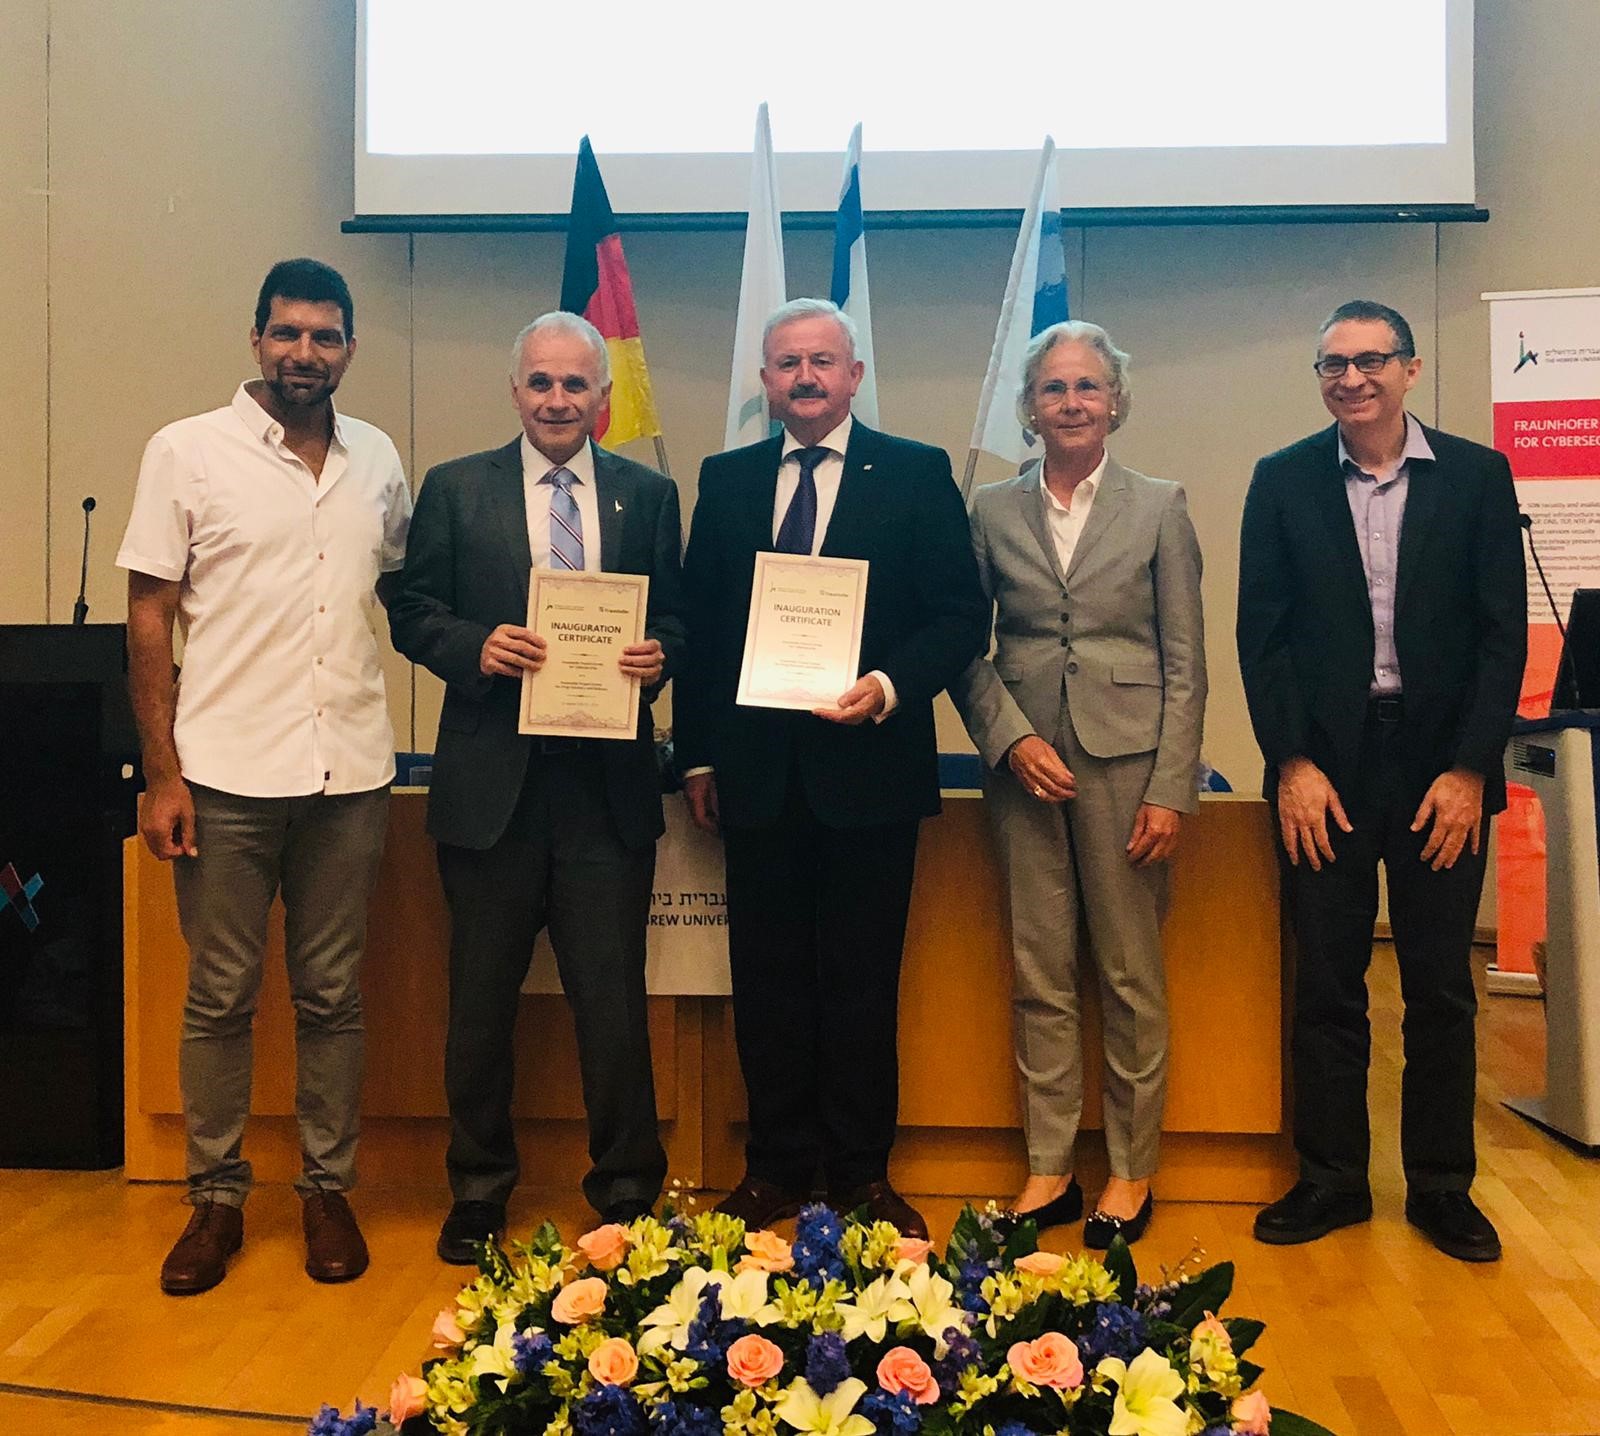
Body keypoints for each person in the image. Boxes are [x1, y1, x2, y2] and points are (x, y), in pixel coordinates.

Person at [119, 258, 412, 1295]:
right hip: (227, 773)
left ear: (348, 348)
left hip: (351, 771)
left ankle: (327, 1188)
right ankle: (216, 1197)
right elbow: (149, 611)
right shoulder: (186, 452)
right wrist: (163, 773)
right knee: (221, 994)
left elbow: (405, 592)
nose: (304, 352)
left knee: (333, 992)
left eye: (324, 336)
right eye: (286, 333)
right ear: (256, 341)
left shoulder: (377, 457)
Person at [675, 298, 989, 1239]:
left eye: (822, 362)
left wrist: (890, 685)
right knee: (766, 983)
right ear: (764, 382)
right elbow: (702, 626)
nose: (805, 378)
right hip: (757, 776)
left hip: (870, 770)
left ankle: (859, 1175)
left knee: (861, 983)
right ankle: (774, 1168)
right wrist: (695, 755)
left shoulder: (915, 472)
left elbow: (957, 617)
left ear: (854, 377)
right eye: (786, 364)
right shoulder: (725, 481)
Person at [387, 312, 681, 1261]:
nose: (558, 401)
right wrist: (475, 646)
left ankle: (628, 1192)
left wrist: (661, 652)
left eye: (576, 386)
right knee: (479, 1005)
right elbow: (410, 608)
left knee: (612, 1004)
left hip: (605, 793)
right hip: (491, 793)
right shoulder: (454, 489)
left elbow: (679, 617)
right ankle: (478, 1192)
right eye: (541, 383)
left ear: (604, 399)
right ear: (516, 392)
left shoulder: (649, 494)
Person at [1237, 299, 1525, 1262]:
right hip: (1329, 768)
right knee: (1326, 980)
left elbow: (1501, 638)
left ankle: (1443, 1185)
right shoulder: (1280, 482)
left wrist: (1471, 770)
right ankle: (1332, 1179)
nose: (1350, 379)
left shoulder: (1479, 478)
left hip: (1443, 767)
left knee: (1441, 985)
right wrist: (1292, 762)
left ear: (1410, 368)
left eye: (1370, 361)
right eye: (1331, 365)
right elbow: (1262, 638)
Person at [950, 321, 1205, 1247]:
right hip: (1027, 770)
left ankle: (1133, 1174)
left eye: (1088, 387)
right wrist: (1009, 738)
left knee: (1130, 975)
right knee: (1040, 970)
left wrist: (1173, 787)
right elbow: (962, 646)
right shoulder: (987, 509)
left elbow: (1186, 657)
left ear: (1116, 402)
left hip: (1130, 769)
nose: (1070, 403)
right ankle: (1049, 1168)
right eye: (1053, 389)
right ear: (1028, 407)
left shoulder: (1160, 505)